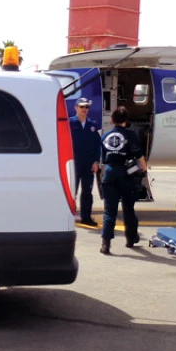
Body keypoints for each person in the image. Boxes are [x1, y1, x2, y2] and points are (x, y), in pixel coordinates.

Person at [99, 106, 148, 255]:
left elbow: (102, 157)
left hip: (109, 174)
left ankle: (105, 244)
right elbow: (138, 154)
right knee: (128, 209)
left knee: (109, 211)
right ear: (125, 120)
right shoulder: (131, 134)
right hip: (126, 175)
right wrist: (144, 169)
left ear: (112, 120)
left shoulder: (105, 136)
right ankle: (131, 238)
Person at [69, 97, 101, 226]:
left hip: (88, 164)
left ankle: (86, 217)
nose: (84, 109)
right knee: (72, 191)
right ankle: (69, 215)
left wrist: (96, 161)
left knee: (87, 191)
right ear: (76, 107)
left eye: (86, 107)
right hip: (74, 163)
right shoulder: (70, 123)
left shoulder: (92, 125)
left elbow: (97, 145)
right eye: (82, 107)